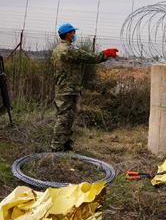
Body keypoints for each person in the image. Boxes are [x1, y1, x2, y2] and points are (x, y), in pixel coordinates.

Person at [50, 23, 118, 152]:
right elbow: (90, 57)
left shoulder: (57, 49)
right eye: (73, 32)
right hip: (68, 89)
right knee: (64, 117)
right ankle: (57, 147)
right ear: (68, 34)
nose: (74, 34)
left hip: (62, 87)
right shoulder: (68, 50)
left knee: (67, 117)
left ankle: (64, 144)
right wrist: (106, 53)